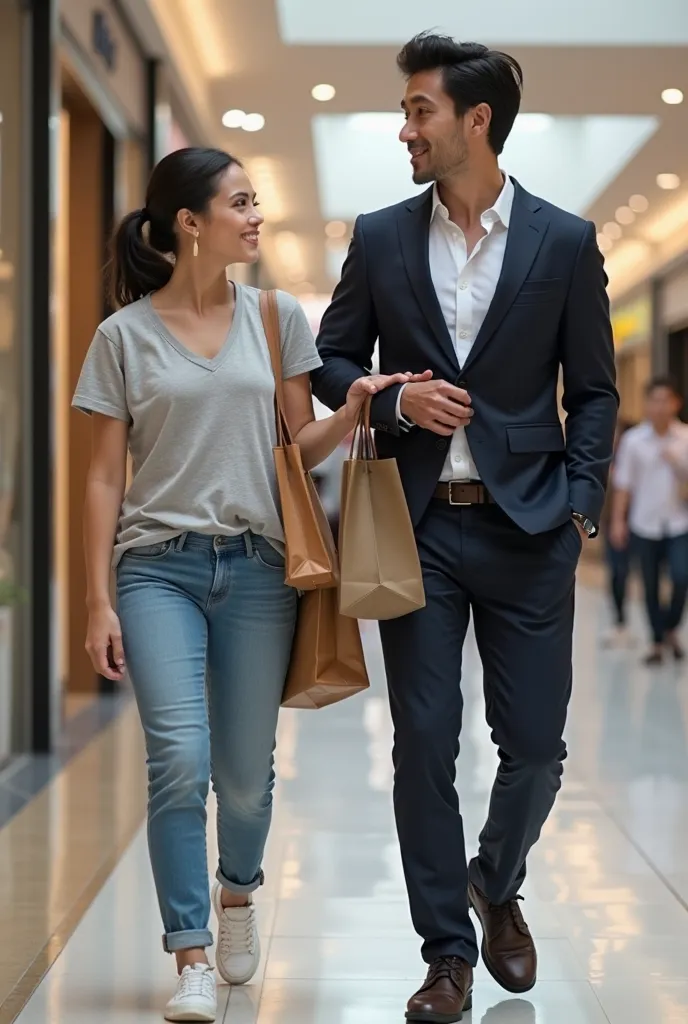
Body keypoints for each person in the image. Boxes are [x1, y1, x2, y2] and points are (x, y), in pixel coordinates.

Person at [72, 147, 418, 1024]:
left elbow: (293, 448)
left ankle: (237, 894)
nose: (256, 215)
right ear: (191, 224)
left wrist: (350, 412)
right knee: (178, 762)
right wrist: (95, 599)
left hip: (261, 568)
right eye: (241, 202)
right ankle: (188, 954)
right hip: (157, 567)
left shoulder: (274, 319)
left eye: (256, 200)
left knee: (247, 777)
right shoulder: (123, 336)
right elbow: (103, 480)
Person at [312, 33, 617, 1022]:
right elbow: (331, 359)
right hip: (413, 529)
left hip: (530, 529)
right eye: (405, 112)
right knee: (422, 742)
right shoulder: (383, 233)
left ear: (474, 122)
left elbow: (596, 389)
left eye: (418, 111)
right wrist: (391, 405)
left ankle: (496, 874)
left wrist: (579, 501)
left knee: (534, 745)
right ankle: (446, 953)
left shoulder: (564, 242)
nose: (404, 127)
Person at [611, 377, 688, 665]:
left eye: (665, 400)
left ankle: (670, 626)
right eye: (653, 400)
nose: (659, 406)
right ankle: (657, 641)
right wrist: (618, 521)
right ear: (646, 404)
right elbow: (623, 486)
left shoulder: (685, 438)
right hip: (644, 523)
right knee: (650, 584)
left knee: (682, 577)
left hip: (680, 523)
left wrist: (678, 463)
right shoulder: (633, 441)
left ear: (676, 403)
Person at [600, 418, 635, 647]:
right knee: (618, 571)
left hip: (639, 523)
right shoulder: (606, 462)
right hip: (612, 523)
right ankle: (619, 620)